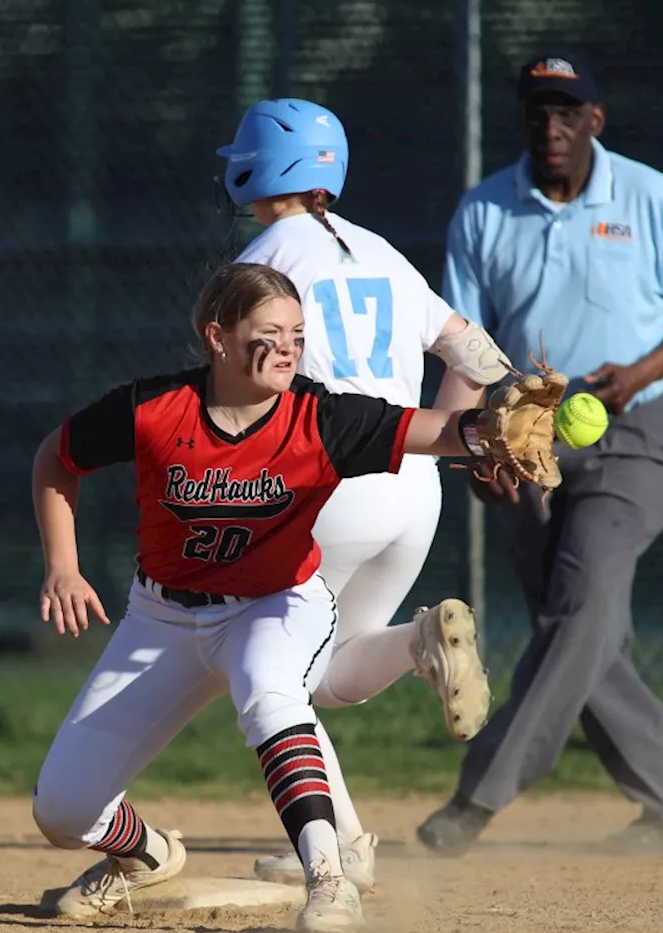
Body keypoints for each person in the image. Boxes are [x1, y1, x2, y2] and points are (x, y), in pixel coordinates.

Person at [29, 261, 550, 933]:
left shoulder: (319, 417)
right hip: (161, 616)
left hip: (275, 605)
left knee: (268, 689)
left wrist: (486, 432)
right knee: (63, 811)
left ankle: (330, 881)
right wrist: (63, 567)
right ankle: (147, 855)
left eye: (298, 334)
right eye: (268, 332)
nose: (287, 347)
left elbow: (435, 430)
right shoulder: (154, 409)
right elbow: (56, 457)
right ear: (216, 336)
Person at [415, 49, 663, 857]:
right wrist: (475, 449)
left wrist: (634, 377)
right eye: (537, 112)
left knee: (580, 606)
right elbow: (461, 348)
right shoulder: (485, 212)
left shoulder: (649, 196)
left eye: (567, 112)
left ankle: (475, 804)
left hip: (641, 431)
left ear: (595, 119)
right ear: (522, 121)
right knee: (580, 630)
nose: (550, 127)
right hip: (527, 440)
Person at [212, 97, 512, 891]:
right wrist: (473, 426)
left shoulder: (264, 263)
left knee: (269, 664)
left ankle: (339, 845)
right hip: (415, 485)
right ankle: (421, 645)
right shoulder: (376, 248)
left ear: (258, 167)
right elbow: (472, 350)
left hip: (328, 481)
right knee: (329, 671)